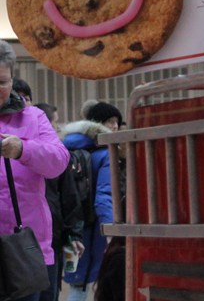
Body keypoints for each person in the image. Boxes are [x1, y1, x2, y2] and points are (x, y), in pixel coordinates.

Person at [0, 43, 70, 301]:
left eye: (2, 81)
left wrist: (23, 150)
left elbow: (59, 161)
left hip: (24, 249)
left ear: (13, 78)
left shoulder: (33, 118)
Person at [61, 102, 121, 301]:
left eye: (117, 122)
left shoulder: (67, 148)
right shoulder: (106, 155)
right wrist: (113, 230)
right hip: (93, 227)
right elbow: (103, 197)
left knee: (74, 280)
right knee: (84, 284)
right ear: (98, 124)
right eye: (109, 121)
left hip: (69, 224)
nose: (114, 126)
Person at [36, 103, 85, 301]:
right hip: (18, 241)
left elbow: (69, 197)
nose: (56, 128)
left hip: (51, 239)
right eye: (54, 123)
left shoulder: (57, 155)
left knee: (50, 293)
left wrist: (74, 234)